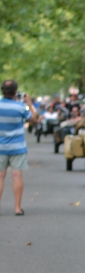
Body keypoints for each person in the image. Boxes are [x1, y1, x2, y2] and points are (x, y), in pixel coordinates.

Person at [0, 79, 37, 215]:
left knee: (0, 176)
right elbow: (33, 119)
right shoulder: (20, 107)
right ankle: (17, 208)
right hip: (17, 147)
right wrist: (29, 103)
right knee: (17, 175)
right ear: (15, 91)